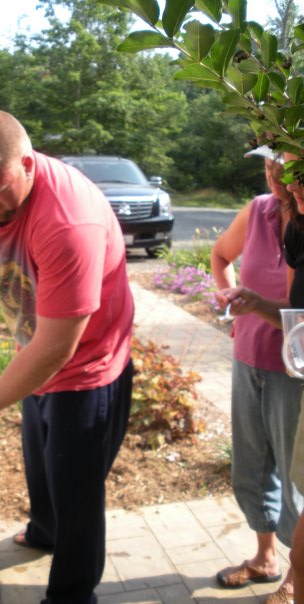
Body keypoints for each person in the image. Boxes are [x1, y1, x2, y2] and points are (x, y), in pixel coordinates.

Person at [0, 109, 134, 604]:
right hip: (35, 352)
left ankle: (71, 595)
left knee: (77, 494)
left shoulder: (69, 220)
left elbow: (55, 348)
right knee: (41, 466)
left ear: (27, 162)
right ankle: (44, 531)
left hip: (88, 366)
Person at [211, 146, 303, 604]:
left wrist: (257, 307)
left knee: (294, 478)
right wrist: (231, 303)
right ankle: (265, 557)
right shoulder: (258, 211)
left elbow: (300, 313)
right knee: (251, 466)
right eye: (267, 167)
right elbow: (219, 255)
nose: (273, 178)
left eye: (283, 169)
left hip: (294, 371)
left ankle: (296, 575)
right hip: (249, 359)